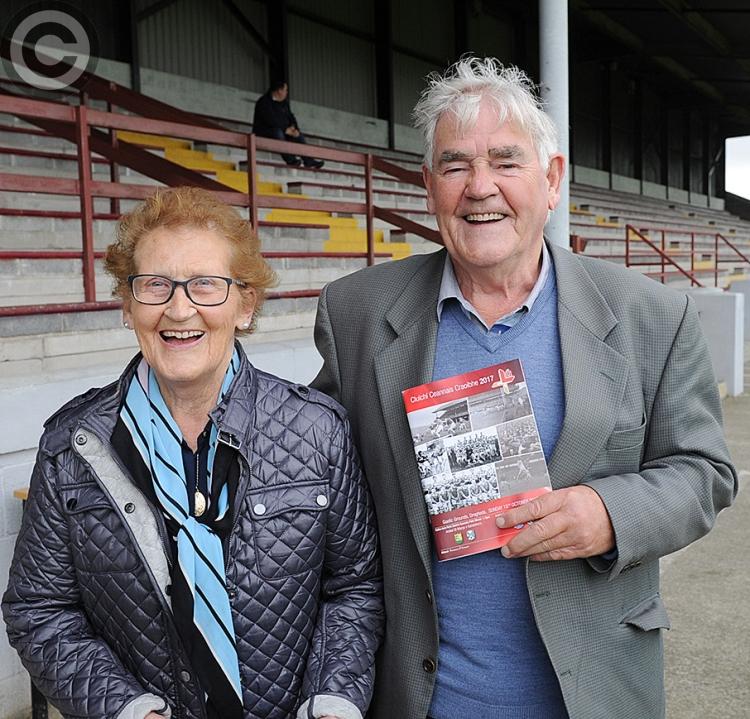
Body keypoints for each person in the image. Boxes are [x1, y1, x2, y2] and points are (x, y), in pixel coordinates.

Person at [311, 56, 737, 719]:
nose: (480, 187)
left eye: (506, 161)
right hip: (421, 698)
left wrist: (609, 513)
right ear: (429, 185)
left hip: (592, 694)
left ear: (552, 179)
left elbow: (705, 472)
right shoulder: (355, 313)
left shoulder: (650, 314)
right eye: (455, 165)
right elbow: (318, 476)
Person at [3, 186, 382, 719]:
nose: (179, 309)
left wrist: (332, 700)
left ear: (245, 304)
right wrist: (128, 709)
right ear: (128, 305)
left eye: (205, 284)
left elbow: (354, 589)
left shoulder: (319, 430)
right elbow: (40, 609)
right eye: (155, 285)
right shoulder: (72, 445)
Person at [253, 80, 324, 168]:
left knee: (298, 136)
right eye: (285, 90)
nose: (287, 92)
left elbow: (291, 117)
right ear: (279, 91)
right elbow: (270, 120)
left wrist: (294, 129)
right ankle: (291, 160)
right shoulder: (263, 102)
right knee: (278, 132)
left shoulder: (284, 103)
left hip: (283, 131)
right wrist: (285, 130)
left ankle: (308, 161)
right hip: (265, 133)